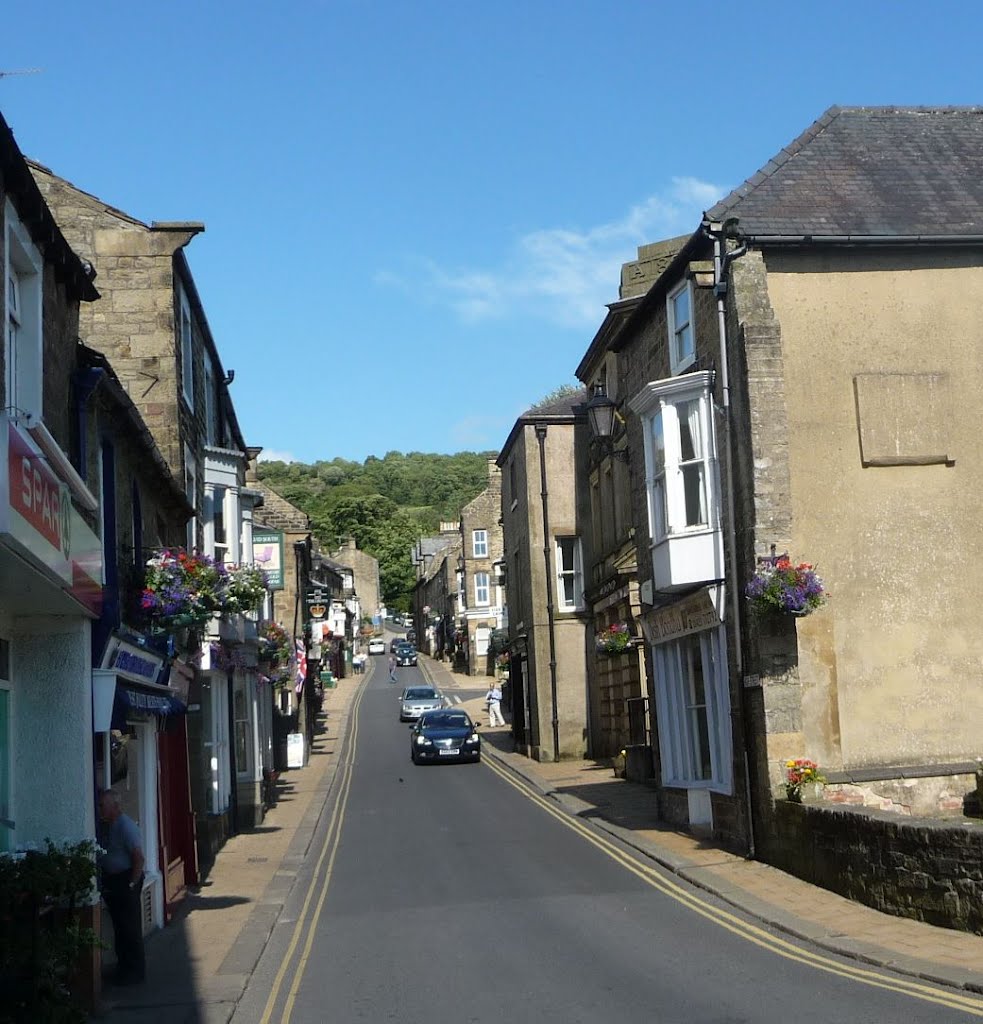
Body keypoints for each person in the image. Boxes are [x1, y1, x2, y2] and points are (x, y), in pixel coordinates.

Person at [97, 789, 146, 985]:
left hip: (126, 880)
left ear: (114, 806)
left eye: (102, 805)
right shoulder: (110, 825)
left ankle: (135, 972)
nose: (100, 809)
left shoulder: (125, 826)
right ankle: (124, 969)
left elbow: (138, 858)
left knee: (130, 927)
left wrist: (131, 884)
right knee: (120, 927)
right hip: (114, 881)